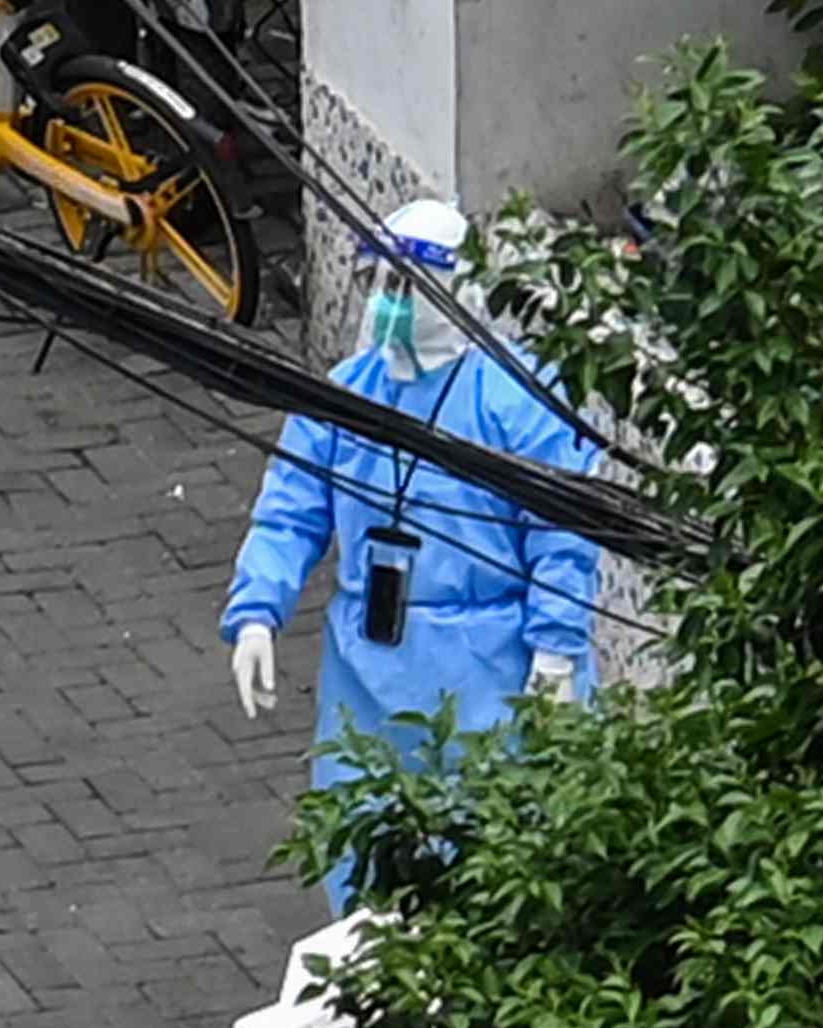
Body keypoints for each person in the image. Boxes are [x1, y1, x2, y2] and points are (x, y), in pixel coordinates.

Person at [218, 195, 602, 910]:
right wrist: (256, 613)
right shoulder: (344, 397)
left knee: (495, 846)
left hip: (490, 664)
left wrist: (555, 656)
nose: (386, 304)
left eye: (406, 287)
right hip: (370, 660)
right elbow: (290, 512)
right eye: (376, 283)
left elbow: (562, 536)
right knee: (363, 839)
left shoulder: (513, 402)